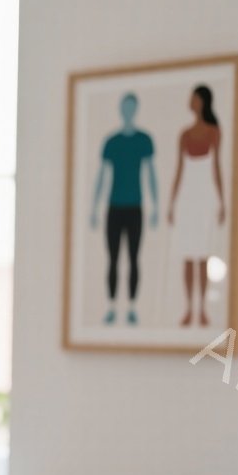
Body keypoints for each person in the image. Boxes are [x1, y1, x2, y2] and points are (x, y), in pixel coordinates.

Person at [88, 92, 159, 326]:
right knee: (113, 258)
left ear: (135, 109)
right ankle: (110, 305)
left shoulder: (143, 140)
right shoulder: (112, 142)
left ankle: (131, 307)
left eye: (131, 107)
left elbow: (151, 175)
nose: (128, 111)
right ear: (121, 109)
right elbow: (101, 176)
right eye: (124, 107)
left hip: (135, 207)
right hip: (113, 207)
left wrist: (156, 205)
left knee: (134, 258)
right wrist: (94, 207)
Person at [165, 85, 225, 327]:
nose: (191, 102)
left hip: (205, 197)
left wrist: (221, 201)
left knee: (203, 255)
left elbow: (216, 166)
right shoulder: (184, 134)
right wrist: (172, 202)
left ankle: (203, 309)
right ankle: (189, 308)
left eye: (194, 99)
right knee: (188, 255)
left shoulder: (213, 132)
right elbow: (179, 170)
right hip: (188, 197)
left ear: (202, 102)